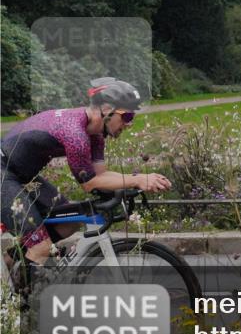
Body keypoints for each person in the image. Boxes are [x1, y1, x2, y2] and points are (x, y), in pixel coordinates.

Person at [0, 78, 171, 272]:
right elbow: (89, 184)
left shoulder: (95, 135)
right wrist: (137, 180)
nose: (129, 124)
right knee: (41, 247)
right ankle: (19, 299)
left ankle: (9, 264)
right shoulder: (76, 135)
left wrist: (137, 181)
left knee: (69, 221)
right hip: (4, 172)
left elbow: (101, 175)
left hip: (19, 174)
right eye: (127, 115)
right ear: (106, 109)